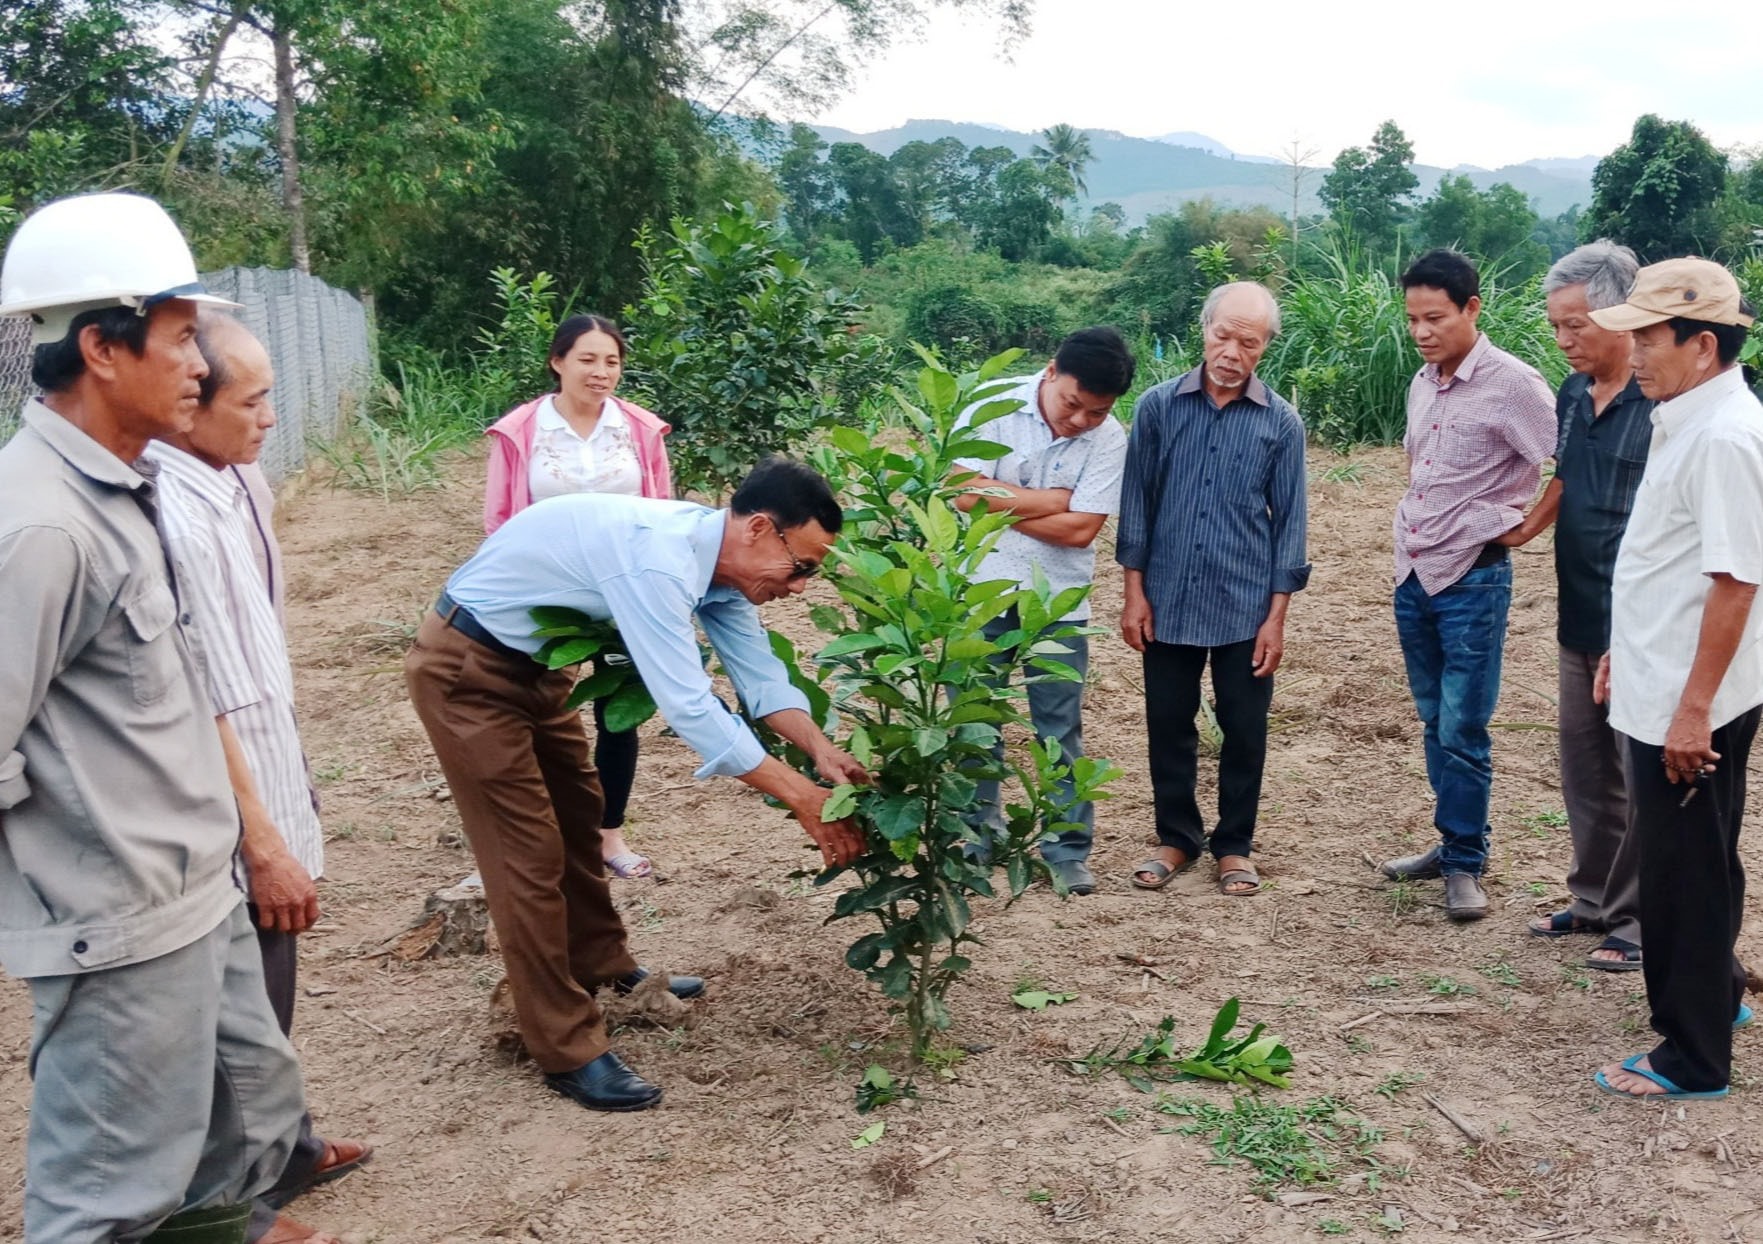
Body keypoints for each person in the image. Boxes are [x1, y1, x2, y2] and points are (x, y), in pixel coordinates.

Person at [0, 192, 318, 1242]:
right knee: (106, 1195)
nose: (200, 364)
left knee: (245, 1118)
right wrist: (70, 878)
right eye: (182, 339)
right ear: (100, 346)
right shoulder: (39, 525)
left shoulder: (124, 488)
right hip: (123, 920)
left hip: (198, 885)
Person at [405, 456, 868, 1112]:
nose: (802, 586)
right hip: (467, 673)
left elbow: (759, 680)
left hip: (534, 672)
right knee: (527, 857)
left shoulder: (721, 570)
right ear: (760, 529)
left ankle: (603, 965)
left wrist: (819, 750)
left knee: (580, 814)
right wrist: (800, 797)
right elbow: (689, 706)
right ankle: (566, 1048)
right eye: (803, 566)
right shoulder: (657, 563)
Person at [146, 313, 374, 1243]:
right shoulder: (163, 508)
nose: (271, 417)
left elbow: (254, 652)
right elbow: (193, 688)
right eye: (254, 401)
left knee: (272, 972)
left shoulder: (237, 482)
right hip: (223, 797)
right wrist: (260, 830)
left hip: (267, 764)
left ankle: (284, 1147)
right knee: (240, 988)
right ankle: (236, 1198)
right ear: (190, 405)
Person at [1587, 259, 1763, 1100]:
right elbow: (1672, 561)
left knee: (1679, 870)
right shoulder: (1684, 416)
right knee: (1702, 855)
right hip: (1668, 676)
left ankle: (1689, 1057)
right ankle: (1716, 996)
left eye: (1646, 337)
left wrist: (1691, 710)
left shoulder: (1724, 436)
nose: (1633, 351)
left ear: (1700, 344)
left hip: (1690, 701)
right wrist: (1629, 647)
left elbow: (1735, 580)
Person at [1378, 249, 1556, 921]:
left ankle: (1462, 867)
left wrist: (1526, 526)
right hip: (1413, 571)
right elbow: (1419, 467)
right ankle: (1453, 843)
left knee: (1463, 726)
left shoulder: (1513, 384)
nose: (1421, 331)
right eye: (1412, 319)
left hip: (1472, 580)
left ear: (1471, 309)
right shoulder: (1422, 382)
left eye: (1435, 317)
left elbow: (1568, 456)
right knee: (1432, 720)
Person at [1118, 282, 1311, 897]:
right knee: (1168, 722)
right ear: (1203, 330)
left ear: (1265, 349)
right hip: (1167, 597)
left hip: (1246, 605)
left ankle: (1234, 845)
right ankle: (1176, 837)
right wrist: (1134, 592)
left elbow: (1292, 525)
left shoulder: (1280, 422)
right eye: (1222, 334)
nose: (1231, 350)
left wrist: (1276, 616)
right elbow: (1136, 508)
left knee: (1245, 729)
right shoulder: (1156, 407)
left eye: (1247, 341)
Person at [1499, 241, 1655, 970]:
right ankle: (1592, 898)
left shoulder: (1658, 402)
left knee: (1638, 768)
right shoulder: (1572, 394)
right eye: (1555, 326)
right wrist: (1524, 528)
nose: (1562, 341)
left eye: (1577, 325)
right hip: (1578, 611)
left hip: (1641, 623)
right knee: (1584, 763)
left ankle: (1637, 919)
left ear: (1623, 317)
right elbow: (1565, 474)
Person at [484, 313, 673, 879]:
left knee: (618, 715)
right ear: (558, 361)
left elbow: (661, 512)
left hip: (622, 596)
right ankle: (541, 829)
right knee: (536, 708)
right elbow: (499, 519)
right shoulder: (522, 431)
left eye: (612, 361)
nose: (601, 372)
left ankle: (607, 835)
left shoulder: (639, 430)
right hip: (545, 595)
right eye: (588, 359)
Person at [949, 326, 1136, 896]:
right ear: (1051, 371)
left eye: (1096, 413)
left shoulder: (1112, 440)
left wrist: (994, 497)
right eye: (1073, 405)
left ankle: (1067, 850)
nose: (1080, 421)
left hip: (1057, 601)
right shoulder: (991, 402)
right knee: (974, 721)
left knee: (1059, 727)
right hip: (981, 588)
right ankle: (977, 837)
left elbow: (1080, 530)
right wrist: (1049, 502)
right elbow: (957, 490)